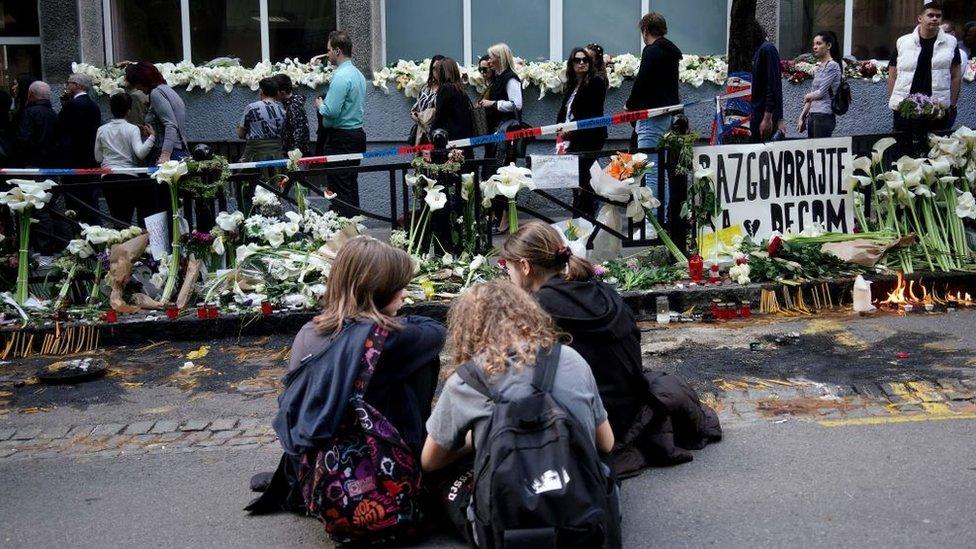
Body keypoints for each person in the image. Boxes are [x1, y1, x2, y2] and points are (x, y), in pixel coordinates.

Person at [499, 221, 722, 477]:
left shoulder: (536, 309)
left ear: (525, 266)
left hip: (595, 419)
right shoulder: (600, 290)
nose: (508, 275)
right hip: (632, 407)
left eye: (509, 268)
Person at [247, 236, 445, 521]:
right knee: (420, 363)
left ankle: (301, 479)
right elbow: (435, 332)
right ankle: (413, 465)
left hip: (314, 461)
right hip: (365, 463)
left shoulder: (308, 332)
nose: (404, 293)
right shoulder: (385, 342)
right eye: (399, 285)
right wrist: (386, 322)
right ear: (378, 290)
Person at [421, 279, 616, 542]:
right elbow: (606, 443)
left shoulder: (467, 381)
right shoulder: (571, 359)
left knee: (442, 477)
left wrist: (474, 442)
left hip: (508, 526)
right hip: (579, 510)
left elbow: (429, 461)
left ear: (467, 328)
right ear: (529, 313)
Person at [627, 12, 681, 212]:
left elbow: (642, 81)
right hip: (666, 116)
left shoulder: (652, 51)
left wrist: (629, 106)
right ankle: (664, 216)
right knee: (660, 171)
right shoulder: (671, 53)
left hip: (650, 117)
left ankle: (654, 222)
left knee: (650, 171)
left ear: (645, 30)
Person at [315, 30, 368, 218]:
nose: (327, 53)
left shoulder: (341, 76)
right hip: (355, 134)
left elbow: (331, 111)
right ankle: (354, 231)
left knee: (340, 189)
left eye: (329, 50)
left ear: (337, 51)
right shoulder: (358, 75)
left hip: (341, 138)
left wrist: (321, 105)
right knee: (350, 185)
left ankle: (345, 237)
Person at [887, 1, 961, 132]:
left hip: (937, 108)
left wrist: (952, 104)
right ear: (920, 18)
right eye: (930, 15)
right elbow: (892, 75)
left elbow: (955, 75)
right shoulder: (903, 42)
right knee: (904, 148)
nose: (934, 18)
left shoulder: (951, 43)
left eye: (938, 16)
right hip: (905, 108)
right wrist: (896, 101)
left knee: (934, 148)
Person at [557, 47, 607, 218]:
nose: (581, 63)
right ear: (571, 64)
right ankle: (580, 218)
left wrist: (571, 130)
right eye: (577, 60)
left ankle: (585, 219)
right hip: (571, 139)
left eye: (585, 60)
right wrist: (561, 128)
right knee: (576, 179)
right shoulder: (573, 85)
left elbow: (592, 112)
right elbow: (565, 110)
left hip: (589, 138)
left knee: (585, 180)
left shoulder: (596, 81)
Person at [94, 92, 156, 227]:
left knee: (117, 218)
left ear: (111, 109)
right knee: (128, 217)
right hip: (128, 176)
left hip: (108, 177)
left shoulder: (101, 130)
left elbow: (98, 157)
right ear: (128, 111)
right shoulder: (132, 129)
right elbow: (140, 153)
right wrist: (151, 137)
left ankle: (118, 245)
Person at [479, 43, 523, 233]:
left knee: (505, 175)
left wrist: (493, 103)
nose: (489, 61)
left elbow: (517, 104)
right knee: (493, 174)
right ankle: (496, 215)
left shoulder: (510, 79)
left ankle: (505, 218)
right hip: (495, 134)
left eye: (491, 57)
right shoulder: (498, 78)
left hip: (506, 136)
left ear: (500, 58)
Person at [14, 81, 61, 253]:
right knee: (48, 207)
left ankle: (44, 249)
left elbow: (23, 140)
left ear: (30, 95)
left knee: (38, 209)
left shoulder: (30, 113)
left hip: (34, 167)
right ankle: (54, 245)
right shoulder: (53, 113)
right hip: (51, 167)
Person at [124, 61, 189, 165]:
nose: (137, 88)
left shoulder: (156, 93)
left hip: (168, 154)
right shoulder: (166, 90)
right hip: (177, 150)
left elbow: (171, 125)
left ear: (143, 80)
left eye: (136, 83)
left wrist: (165, 155)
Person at [58, 73, 103, 223]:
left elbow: (61, 127)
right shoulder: (93, 106)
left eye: (69, 83)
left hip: (72, 161)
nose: (66, 85)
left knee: (75, 204)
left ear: (77, 85)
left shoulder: (72, 105)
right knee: (90, 202)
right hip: (90, 159)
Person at [797, 31, 843, 138]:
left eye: (819, 43)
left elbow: (820, 93)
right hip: (813, 115)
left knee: (819, 153)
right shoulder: (819, 66)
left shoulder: (833, 66)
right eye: (814, 44)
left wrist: (807, 96)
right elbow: (813, 96)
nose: (815, 47)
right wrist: (802, 117)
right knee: (812, 152)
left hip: (824, 116)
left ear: (828, 45)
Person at [237, 77, 286, 162]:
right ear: (276, 93)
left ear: (261, 91)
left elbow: (241, 134)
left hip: (255, 155)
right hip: (276, 156)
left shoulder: (251, 108)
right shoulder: (282, 111)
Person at [750, 28, 785, 143]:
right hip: (757, 112)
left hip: (764, 115)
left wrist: (767, 118)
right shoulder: (757, 51)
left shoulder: (767, 49)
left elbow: (773, 85)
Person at [431, 57, 473, 151]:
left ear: (442, 72)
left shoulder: (445, 89)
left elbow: (440, 115)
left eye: (437, 71)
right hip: (464, 139)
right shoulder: (460, 89)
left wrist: (432, 133)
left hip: (451, 140)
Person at [409, 54, 444, 145]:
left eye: (439, 68)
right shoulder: (426, 87)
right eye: (433, 68)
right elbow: (415, 109)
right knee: (421, 158)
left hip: (437, 133)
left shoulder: (446, 89)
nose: (436, 71)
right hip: (422, 132)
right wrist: (418, 117)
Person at [273, 73, 310, 155]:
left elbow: (299, 132)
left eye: (274, 92)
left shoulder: (293, 106)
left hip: (296, 156)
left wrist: (294, 155)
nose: (273, 95)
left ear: (282, 93)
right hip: (295, 153)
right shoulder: (292, 104)